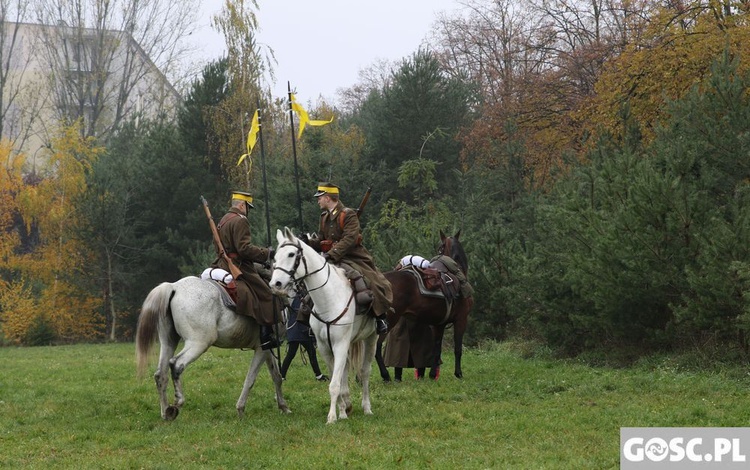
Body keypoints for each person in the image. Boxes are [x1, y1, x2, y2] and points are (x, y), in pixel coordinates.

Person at [306, 182, 391, 334]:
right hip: (331, 258)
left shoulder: (348, 214)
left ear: (327, 198)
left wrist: (331, 254)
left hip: (353, 257)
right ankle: (311, 322)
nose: (318, 200)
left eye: (320, 197)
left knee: (370, 281)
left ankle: (380, 317)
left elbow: (349, 239)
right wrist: (308, 242)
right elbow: (320, 240)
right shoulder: (324, 217)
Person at [211, 191, 280, 350]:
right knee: (267, 294)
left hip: (221, 263)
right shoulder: (240, 220)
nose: (247, 210)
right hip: (239, 265)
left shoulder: (222, 220)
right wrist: (267, 253)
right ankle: (265, 335)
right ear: (242, 205)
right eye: (247, 207)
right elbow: (244, 249)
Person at [280, 294, 328, 382]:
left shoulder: (297, 298)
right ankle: (318, 376)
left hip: (297, 330)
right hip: (301, 329)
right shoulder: (303, 297)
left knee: (292, 354)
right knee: (308, 353)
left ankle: (282, 375)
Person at [383, 316, 434, 381]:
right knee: (399, 344)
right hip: (401, 315)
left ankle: (421, 376)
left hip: (419, 314)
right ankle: (397, 377)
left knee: (421, 341)